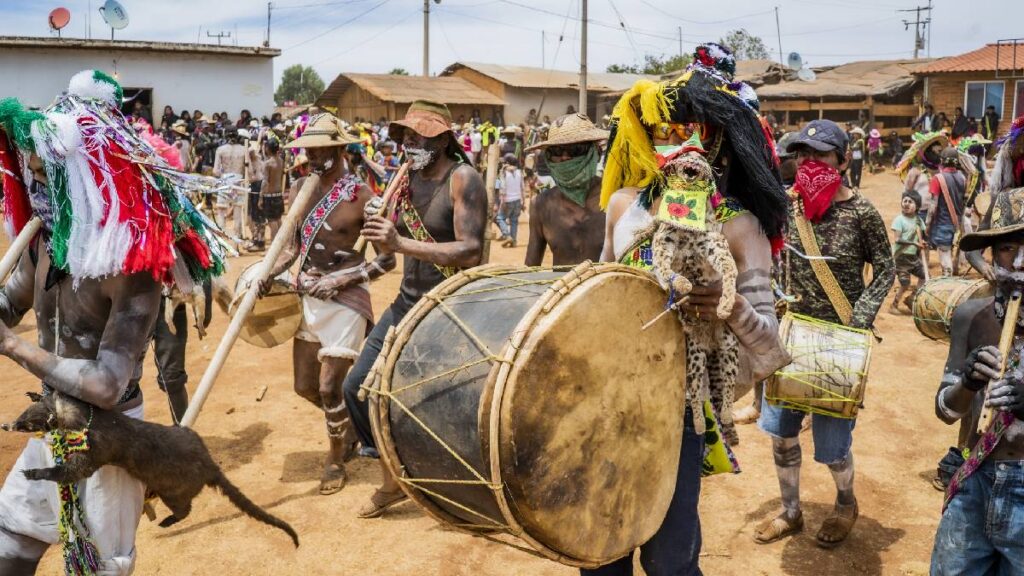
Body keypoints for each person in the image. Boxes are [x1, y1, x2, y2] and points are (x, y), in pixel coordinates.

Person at [0, 69, 227, 575]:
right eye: (32, 171)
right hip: (52, 419)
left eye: (47, 173)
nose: (36, 185)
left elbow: (106, 385)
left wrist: (12, 346)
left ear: (84, 173)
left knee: (98, 568)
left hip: (109, 436)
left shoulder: (132, 266)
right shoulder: (44, 242)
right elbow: (10, 303)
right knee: (10, 541)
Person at [596, 43, 791, 575]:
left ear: (718, 137)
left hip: (678, 405)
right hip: (608, 393)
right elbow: (597, 292)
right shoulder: (623, 206)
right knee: (600, 546)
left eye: (689, 127)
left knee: (670, 555)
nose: (676, 139)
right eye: (664, 128)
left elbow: (771, 346)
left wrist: (729, 307)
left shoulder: (740, 225)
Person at [342, 100, 487, 518]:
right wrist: (377, 226)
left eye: (419, 135)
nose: (409, 143)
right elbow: (388, 253)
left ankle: (453, 484)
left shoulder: (463, 179)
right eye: (406, 135)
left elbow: (471, 251)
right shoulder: (404, 179)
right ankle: (395, 477)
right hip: (408, 301)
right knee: (357, 386)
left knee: (441, 402)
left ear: (442, 140)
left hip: (450, 306)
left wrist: (400, 242)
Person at [753, 119, 895, 548]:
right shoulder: (786, 206)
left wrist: (859, 320)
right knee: (781, 434)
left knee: (833, 446)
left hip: (839, 344)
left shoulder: (862, 213)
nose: (809, 162)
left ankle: (845, 503)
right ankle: (791, 511)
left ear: (844, 160)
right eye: (802, 154)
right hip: (791, 338)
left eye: (821, 154)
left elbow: (885, 269)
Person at [261, 113, 396, 495]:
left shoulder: (364, 197)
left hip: (346, 301)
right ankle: (349, 428)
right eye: (310, 150)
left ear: (339, 150)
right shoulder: (299, 188)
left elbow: (387, 259)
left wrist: (341, 279)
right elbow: (292, 247)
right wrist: (268, 273)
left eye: (321, 150)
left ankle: (335, 459)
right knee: (304, 386)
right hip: (307, 294)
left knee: (327, 387)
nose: (313, 156)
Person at [929, 188, 1024, 574]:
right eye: (1007, 248)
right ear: (992, 255)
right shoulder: (972, 315)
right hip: (977, 476)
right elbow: (945, 411)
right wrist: (967, 383)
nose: (1020, 262)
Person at [523, 113, 608, 266]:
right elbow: (531, 268)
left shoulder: (614, 199)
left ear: (596, 152)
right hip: (561, 282)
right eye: (556, 151)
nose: (565, 157)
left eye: (575, 150)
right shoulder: (541, 205)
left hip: (608, 282)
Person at [927, 147, 967, 277]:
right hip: (958, 224)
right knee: (952, 252)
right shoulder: (962, 177)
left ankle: (947, 282)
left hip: (943, 223)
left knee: (945, 256)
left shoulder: (937, 178)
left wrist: (927, 224)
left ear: (942, 161)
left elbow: (933, 205)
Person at [890, 191, 927, 314]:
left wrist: (923, 243)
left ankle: (912, 299)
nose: (906, 204)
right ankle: (893, 306)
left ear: (917, 206)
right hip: (901, 258)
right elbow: (897, 239)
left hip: (913, 257)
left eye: (910, 202)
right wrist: (914, 244)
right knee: (905, 283)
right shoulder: (899, 220)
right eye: (905, 201)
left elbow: (921, 237)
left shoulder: (919, 221)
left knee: (924, 277)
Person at [213, 127, 247, 238]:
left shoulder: (220, 150)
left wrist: (224, 175)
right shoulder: (244, 150)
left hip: (225, 182)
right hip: (239, 182)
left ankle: (221, 238)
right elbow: (248, 170)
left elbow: (215, 171)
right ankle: (237, 238)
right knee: (238, 211)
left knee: (221, 211)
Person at [258, 138, 285, 246]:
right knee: (278, 220)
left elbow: (265, 182)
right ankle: (281, 244)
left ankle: (275, 245)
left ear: (268, 149)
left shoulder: (268, 164)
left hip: (270, 196)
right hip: (279, 195)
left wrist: (260, 197)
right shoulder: (281, 161)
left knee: (272, 221)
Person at [495, 154, 525, 247]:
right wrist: (523, 201)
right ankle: (514, 241)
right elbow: (522, 187)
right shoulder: (519, 172)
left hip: (507, 200)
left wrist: (502, 201)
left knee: (500, 218)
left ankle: (507, 235)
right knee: (514, 221)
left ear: (507, 163)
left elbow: (503, 187)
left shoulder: (503, 172)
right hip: (518, 199)